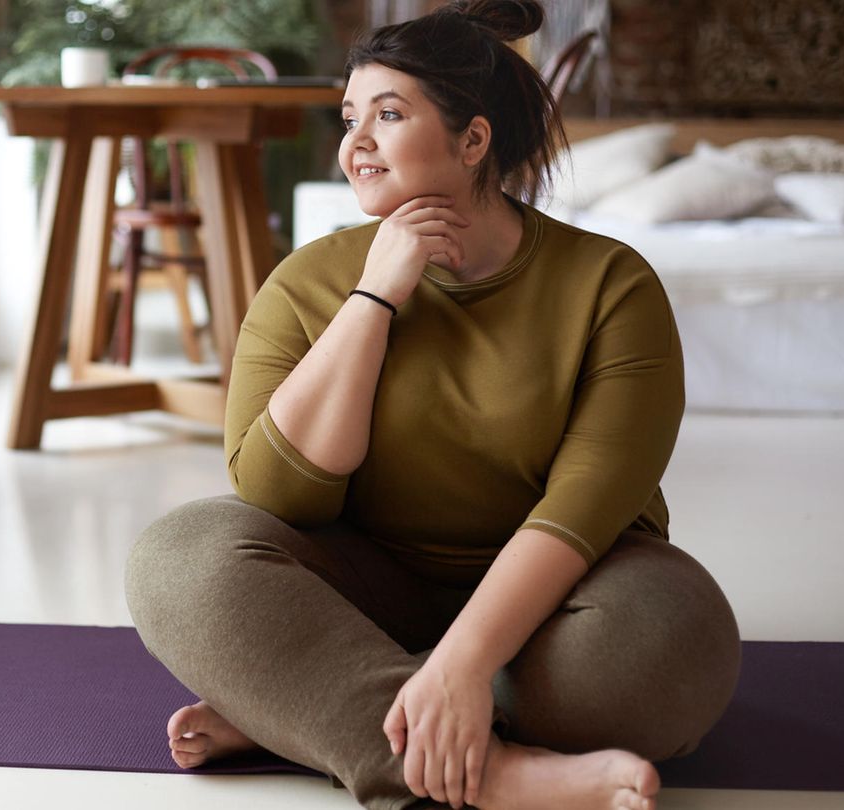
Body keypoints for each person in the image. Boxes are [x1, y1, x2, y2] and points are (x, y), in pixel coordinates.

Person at [124, 1, 742, 808]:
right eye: (350, 119)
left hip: (563, 597)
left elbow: (581, 514)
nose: (355, 145)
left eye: (387, 114)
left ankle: (326, 711)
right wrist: (374, 297)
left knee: (665, 650)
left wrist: (462, 664)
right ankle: (486, 770)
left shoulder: (610, 286)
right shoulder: (308, 281)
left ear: (473, 140)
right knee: (180, 557)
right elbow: (279, 495)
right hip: (368, 582)